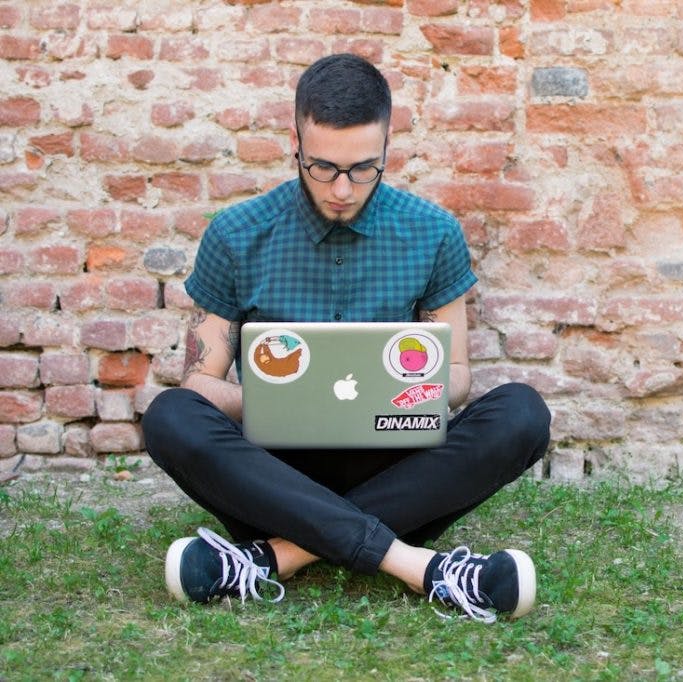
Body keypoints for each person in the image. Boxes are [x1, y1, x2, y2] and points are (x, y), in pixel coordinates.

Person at [141, 53, 551, 624]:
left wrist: (393, 400)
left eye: (363, 169)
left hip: (392, 466)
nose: (341, 188)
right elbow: (199, 384)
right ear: (295, 142)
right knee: (169, 415)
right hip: (272, 478)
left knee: (522, 413)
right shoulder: (235, 234)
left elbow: (457, 379)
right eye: (323, 167)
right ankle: (426, 570)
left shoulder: (432, 232)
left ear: (387, 146)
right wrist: (278, 403)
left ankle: (271, 560)